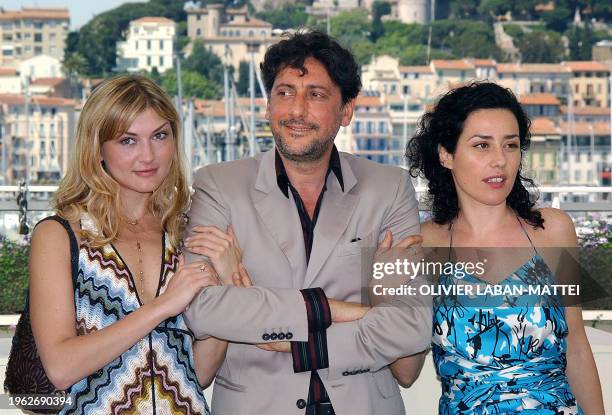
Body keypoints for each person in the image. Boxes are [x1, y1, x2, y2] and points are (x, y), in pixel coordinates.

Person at [182, 30, 431, 415]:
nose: (296, 110)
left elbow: (411, 326)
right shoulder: (218, 185)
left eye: (315, 94)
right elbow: (205, 310)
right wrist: (345, 310)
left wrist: (300, 341)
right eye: (283, 93)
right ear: (267, 105)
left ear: (345, 111)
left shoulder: (389, 189)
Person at [392, 81, 605, 414]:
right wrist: (384, 288)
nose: (500, 161)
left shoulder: (554, 230)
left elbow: (576, 346)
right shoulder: (423, 245)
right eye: (482, 146)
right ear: (447, 155)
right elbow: (405, 373)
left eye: (511, 145)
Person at [29, 75, 227, 414]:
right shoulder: (60, 236)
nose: (148, 156)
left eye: (159, 136)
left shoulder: (185, 233)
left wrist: (226, 287)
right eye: (127, 141)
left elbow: (200, 373)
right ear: (97, 148)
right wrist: (163, 306)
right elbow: (61, 367)